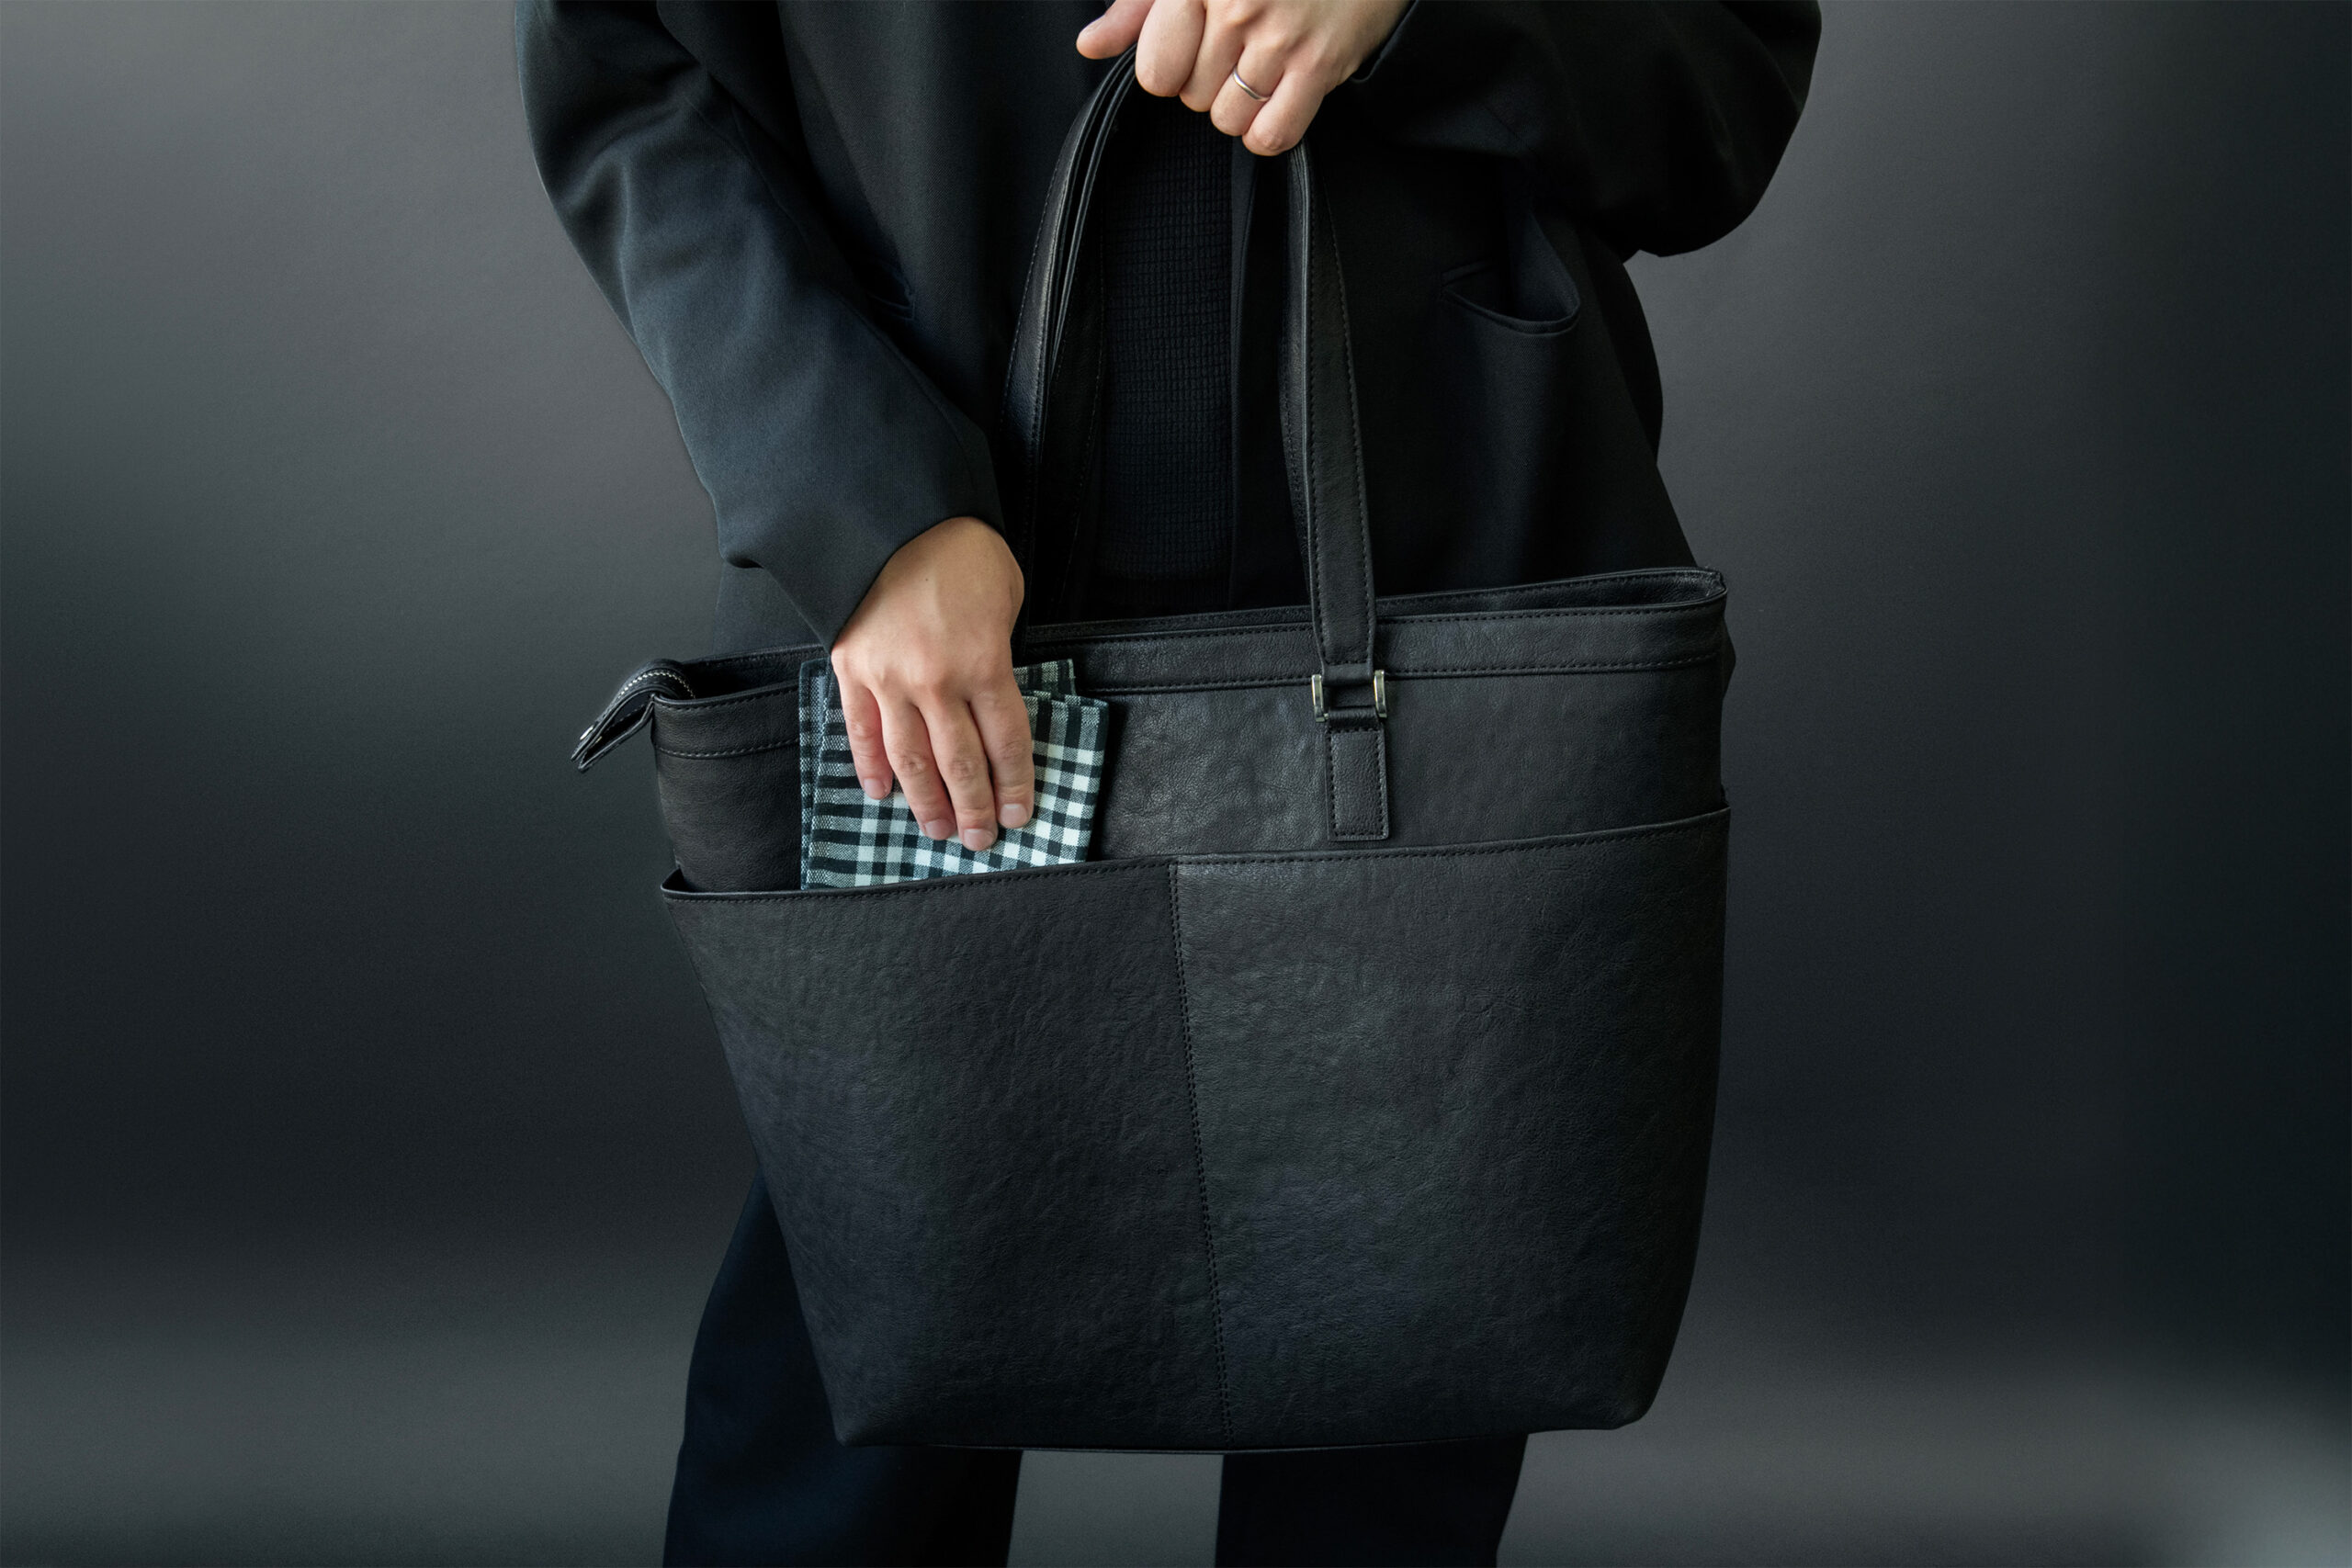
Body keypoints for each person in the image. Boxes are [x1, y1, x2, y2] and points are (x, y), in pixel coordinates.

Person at [518, 3, 1817, 1562]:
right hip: (936, 603)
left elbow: (1722, 81)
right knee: (848, 1391)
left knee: (1406, 1389)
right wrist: (861, 511)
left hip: (1447, 569)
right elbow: (631, 74)